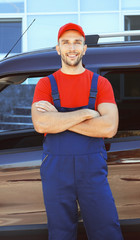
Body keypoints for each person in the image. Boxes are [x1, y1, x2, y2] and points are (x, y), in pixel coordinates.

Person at [31, 23, 123, 240]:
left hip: (91, 170)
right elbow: (41, 125)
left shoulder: (101, 84)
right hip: (56, 171)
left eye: (77, 42)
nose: (71, 48)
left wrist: (58, 117)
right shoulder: (45, 85)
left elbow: (109, 128)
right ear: (58, 48)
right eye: (66, 43)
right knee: (60, 233)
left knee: (106, 230)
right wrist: (87, 113)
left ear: (84, 48)